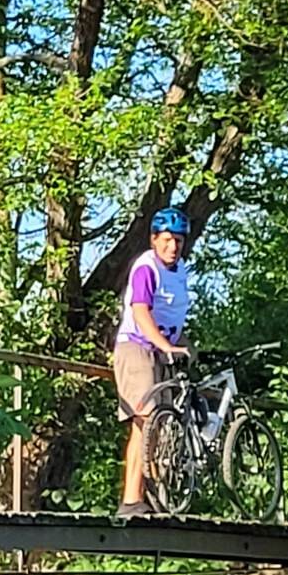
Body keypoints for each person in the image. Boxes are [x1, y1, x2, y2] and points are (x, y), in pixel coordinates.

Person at [113, 206, 193, 517]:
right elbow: (140, 311)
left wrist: (183, 346)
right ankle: (131, 499)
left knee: (166, 420)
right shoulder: (146, 268)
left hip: (164, 348)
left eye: (178, 242)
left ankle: (160, 494)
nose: (173, 247)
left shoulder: (180, 270)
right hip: (137, 347)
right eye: (167, 240)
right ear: (154, 240)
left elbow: (174, 312)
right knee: (144, 419)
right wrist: (164, 345)